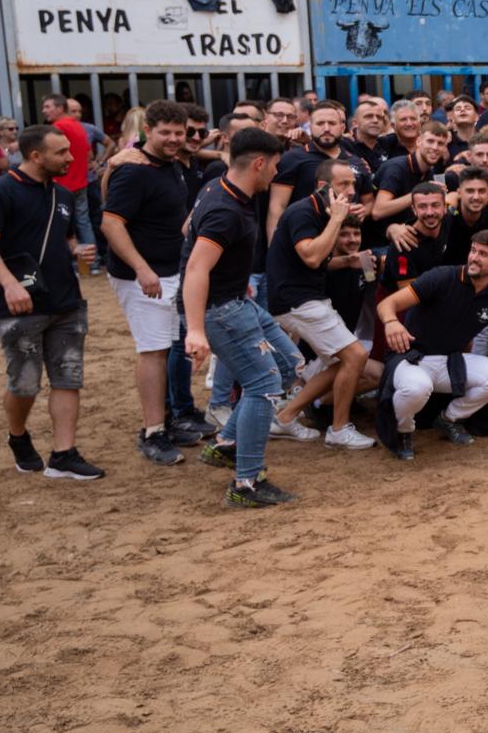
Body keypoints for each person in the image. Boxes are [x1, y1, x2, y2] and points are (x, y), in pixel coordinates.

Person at [0, 125, 103, 480]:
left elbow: (63, 237)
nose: (71, 158)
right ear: (35, 156)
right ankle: (18, 437)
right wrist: (10, 285)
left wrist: (76, 250)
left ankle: (63, 455)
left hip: (66, 301)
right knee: (24, 384)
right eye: (61, 153)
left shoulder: (63, 194)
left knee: (68, 378)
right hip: (20, 304)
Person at [182, 129, 299, 507]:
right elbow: (196, 269)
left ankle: (228, 443)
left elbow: (188, 229)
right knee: (263, 383)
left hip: (236, 299)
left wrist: (233, 275)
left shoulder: (221, 188)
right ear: (260, 163)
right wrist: (196, 330)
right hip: (222, 311)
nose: (276, 175)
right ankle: (246, 485)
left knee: (285, 365)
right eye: (276, 167)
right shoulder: (225, 209)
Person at [100, 101, 202, 464]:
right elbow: (111, 222)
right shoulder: (135, 169)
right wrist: (143, 270)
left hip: (169, 270)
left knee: (168, 347)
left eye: (180, 133)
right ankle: (152, 432)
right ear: (147, 131)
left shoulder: (169, 164)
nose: (175, 139)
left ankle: (169, 420)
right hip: (143, 276)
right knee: (154, 350)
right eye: (167, 133)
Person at [264, 158, 379, 450]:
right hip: (296, 299)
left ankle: (286, 416)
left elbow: (321, 262)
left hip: (305, 296)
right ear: (322, 186)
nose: (351, 191)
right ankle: (339, 429)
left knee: (344, 360)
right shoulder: (303, 213)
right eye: (344, 184)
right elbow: (312, 257)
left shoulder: (322, 213)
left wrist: (350, 260)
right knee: (355, 356)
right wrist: (337, 220)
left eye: (353, 183)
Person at [376, 229, 488, 460]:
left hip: (449, 362)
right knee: (417, 388)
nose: (474, 257)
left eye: (483, 254)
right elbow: (387, 304)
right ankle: (403, 431)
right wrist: (392, 322)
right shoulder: (442, 276)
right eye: (473, 251)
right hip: (412, 358)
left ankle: (449, 419)